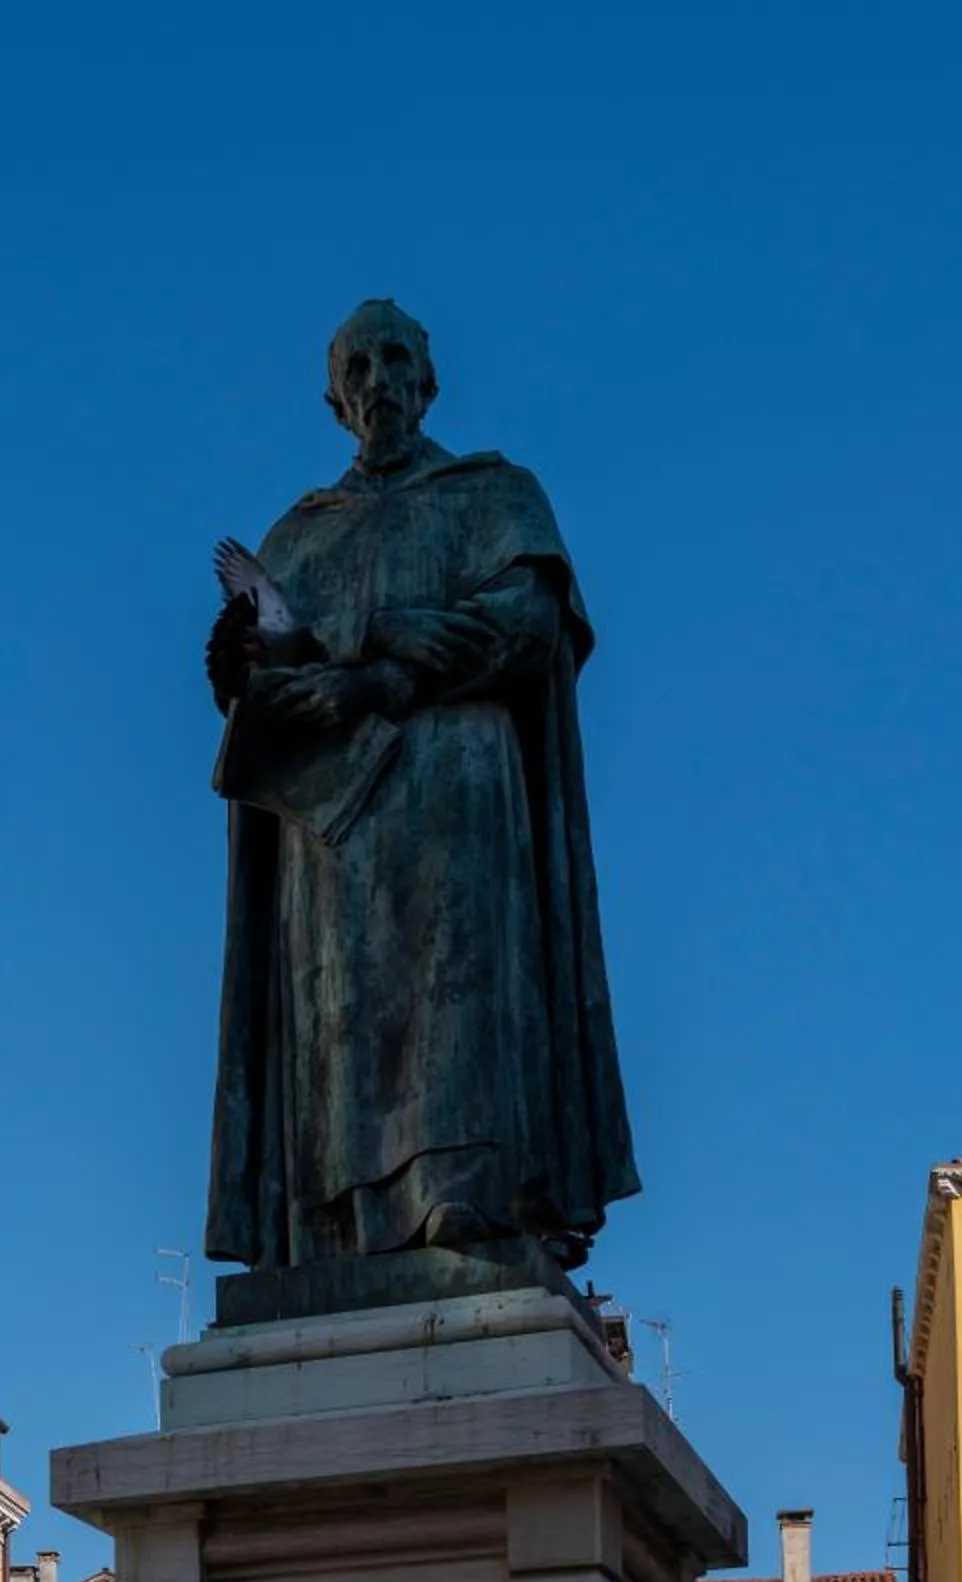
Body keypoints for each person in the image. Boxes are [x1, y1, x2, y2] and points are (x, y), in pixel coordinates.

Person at [204, 299, 637, 1282]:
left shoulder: (494, 496)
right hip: (333, 820)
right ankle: (340, 1221)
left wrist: (385, 660)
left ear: (429, 381)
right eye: (357, 369)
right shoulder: (298, 536)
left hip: (456, 786)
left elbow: (528, 621)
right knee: (339, 1009)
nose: (379, 382)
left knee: (458, 986)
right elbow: (276, 677)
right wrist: (255, 675)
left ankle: (469, 1196)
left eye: (396, 360)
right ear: (334, 400)